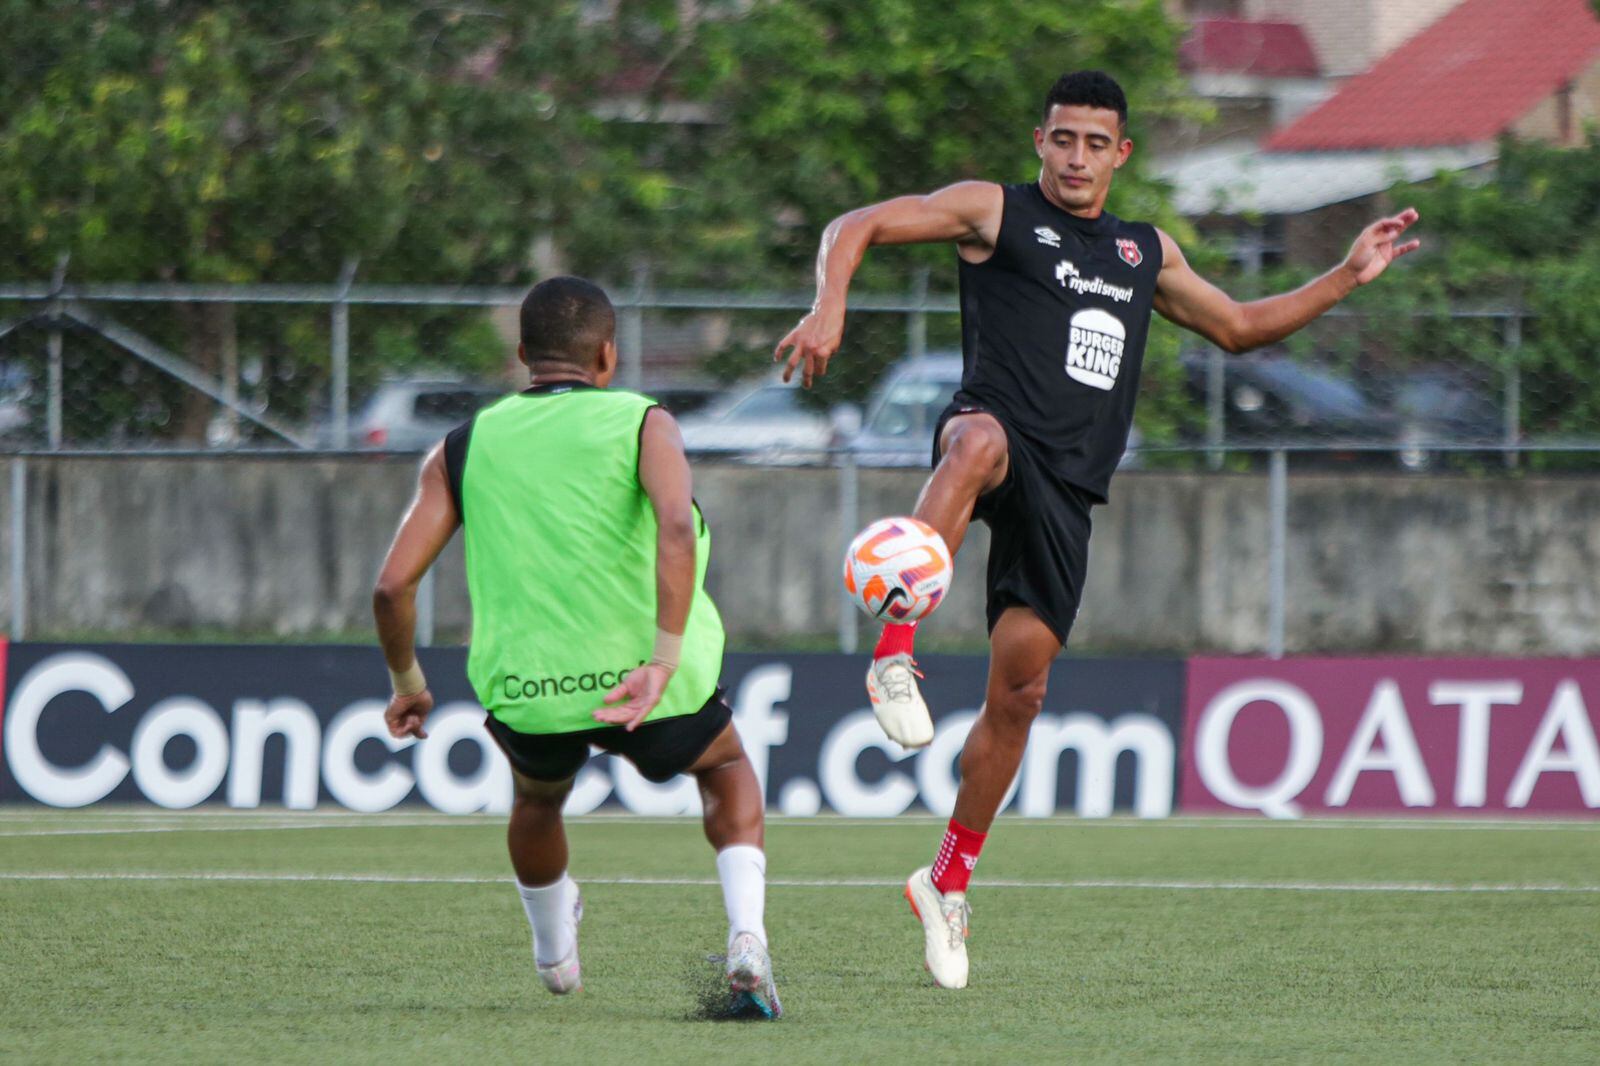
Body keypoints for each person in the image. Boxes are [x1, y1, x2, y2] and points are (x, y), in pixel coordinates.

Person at [774, 70, 1420, 989]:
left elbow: (1236, 328)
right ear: (1040, 140)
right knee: (975, 443)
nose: (1076, 157)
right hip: (993, 433)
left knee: (1021, 694)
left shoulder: (1142, 252)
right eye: (1062, 138)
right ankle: (893, 647)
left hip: (1070, 492)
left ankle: (947, 878)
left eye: (1095, 143)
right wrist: (829, 301)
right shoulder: (994, 214)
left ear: (1121, 153)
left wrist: (1347, 275)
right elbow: (859, 224)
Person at [373, 276, 780, 1017]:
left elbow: (391, 587)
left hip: (530, 694)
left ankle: (555, 958)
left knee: (536, 799)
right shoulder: (643, 421)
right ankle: (747, 937)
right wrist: (660, 661)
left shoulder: (462, 446)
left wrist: (408, 684)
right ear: (608, 354)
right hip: (651, 686)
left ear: (524, 354)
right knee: (724, 768)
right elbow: (677, 527)